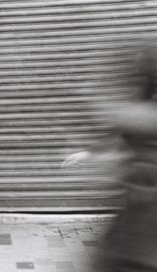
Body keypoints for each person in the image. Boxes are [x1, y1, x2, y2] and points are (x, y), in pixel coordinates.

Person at [62, 43, 157, 272]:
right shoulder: (142, 100)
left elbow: (131, 121)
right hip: (138, 203)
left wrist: (98, 98)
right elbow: (123, 134)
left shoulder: (142, 112)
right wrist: (90, 152)